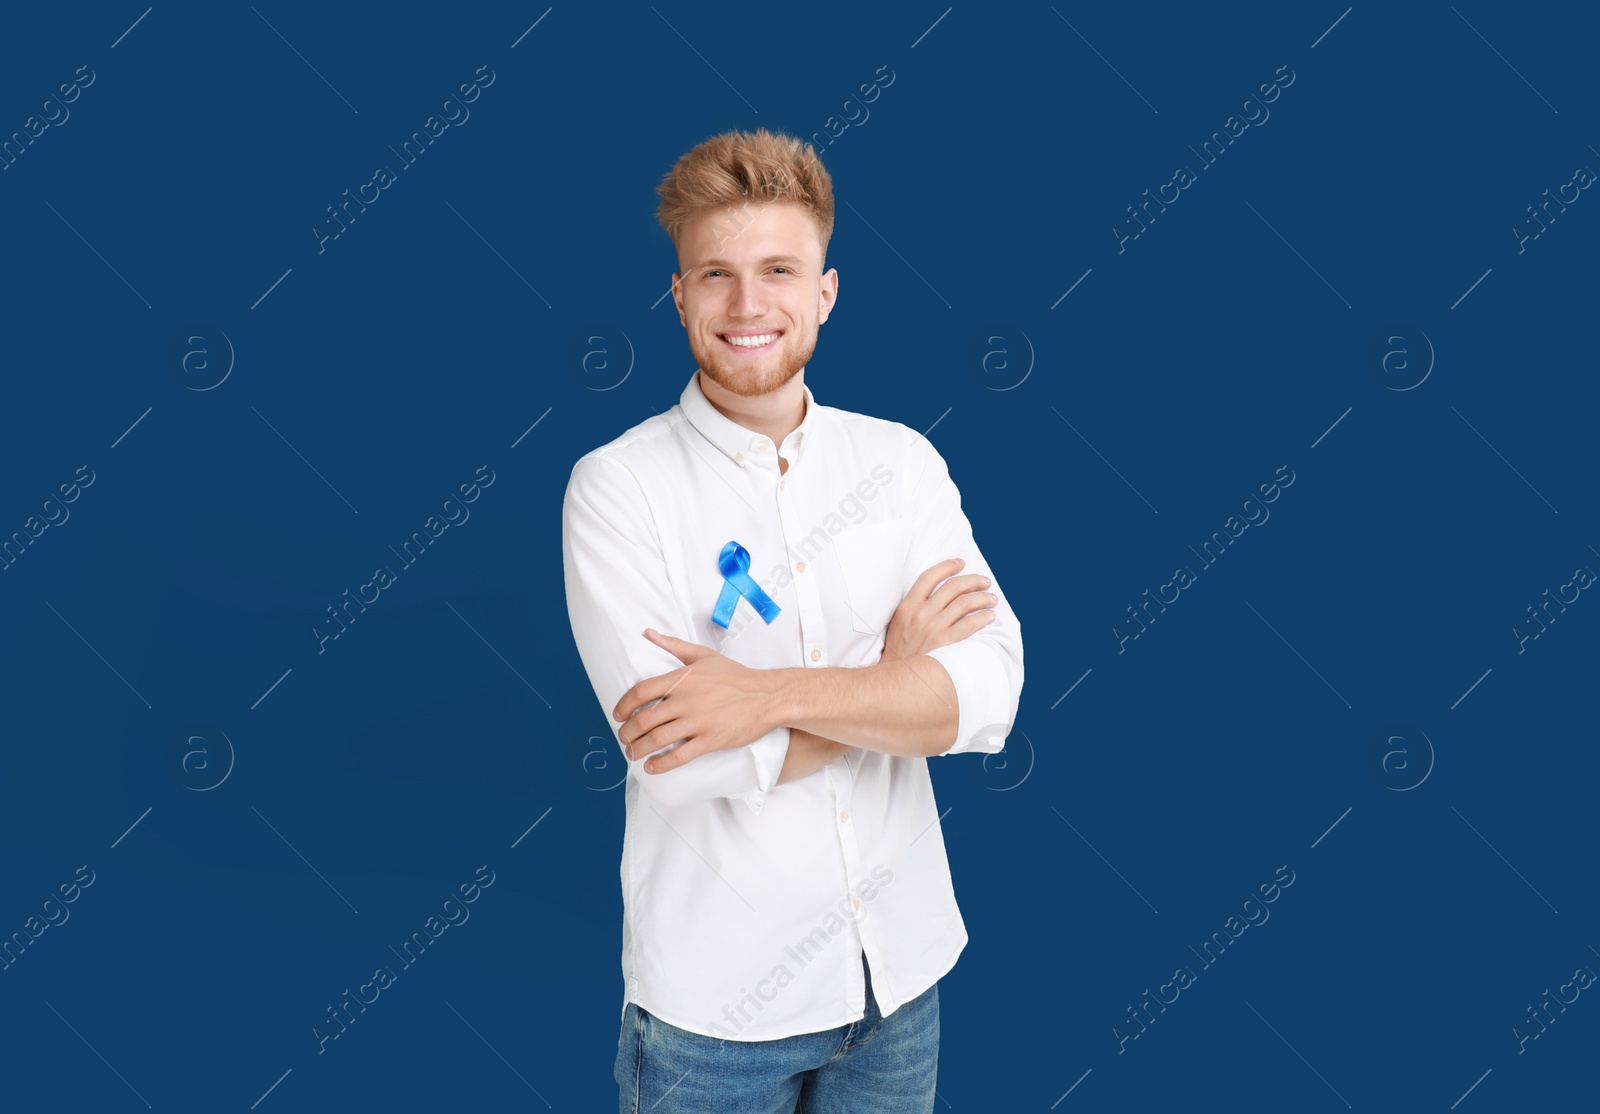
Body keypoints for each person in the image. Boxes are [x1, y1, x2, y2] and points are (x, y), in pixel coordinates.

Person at [561, 127, 1024, 1113]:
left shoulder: (899, 466)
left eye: (778, 269)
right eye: (715, 274)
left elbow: (985, 694)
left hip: (899, 978)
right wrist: (891, 683)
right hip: (714, 1011)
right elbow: (683, 756)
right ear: (680, 295)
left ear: (824, 291)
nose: (747, 304)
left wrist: (761, 696)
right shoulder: (617, 488)